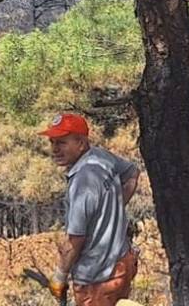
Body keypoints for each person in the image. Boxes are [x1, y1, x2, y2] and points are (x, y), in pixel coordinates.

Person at [42, 113, 140, 306]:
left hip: (97, 279)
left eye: (62, 143)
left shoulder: (82, 182)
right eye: (52, 142)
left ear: (81, 142)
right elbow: (132, 174)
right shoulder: (101, 157)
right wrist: (111, 212)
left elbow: (75, 241)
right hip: (121, 263)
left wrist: (60, 276)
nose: (55, 149)